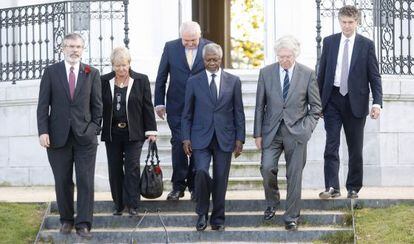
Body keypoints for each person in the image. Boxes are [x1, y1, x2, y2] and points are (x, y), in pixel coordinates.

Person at [37, 33, 102, 239]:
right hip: (57, 137)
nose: (74, 50)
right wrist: (43, 131)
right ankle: (66, 220)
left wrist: (93, 129)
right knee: (63, 180)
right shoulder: (51, 72)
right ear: (62, 48)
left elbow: (98, 106)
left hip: (85, 138)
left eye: (78, 47)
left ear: (83, 49)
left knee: (85, 180)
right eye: (70, 46)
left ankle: (83, 223)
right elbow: (42, 106)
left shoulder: (92, 73)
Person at [254, 35, 322, 231]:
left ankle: (291, 216)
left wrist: (306, 129)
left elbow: (316, 107)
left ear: (295, 55)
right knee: (267, 168)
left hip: (297, 132)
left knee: (294, 175)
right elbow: (260, 106)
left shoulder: (307, 74)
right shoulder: (266, 73)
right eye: (280, 56)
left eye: (288, 56)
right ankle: (272, 201)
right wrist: (258, 134)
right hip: (271, 132)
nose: (284, 60)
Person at [317, 5, 382, 199]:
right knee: (331, 144)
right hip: (332, 100)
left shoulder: (366, 44)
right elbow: (322, 74)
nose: (347, 26)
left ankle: (353, 187)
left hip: (357, 102)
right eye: (344, 22)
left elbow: (374, 76)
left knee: (355, 148)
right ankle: (332, 187)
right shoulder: (329, 42)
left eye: (350, 22)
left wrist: (377, 102)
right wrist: (319, 102)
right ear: (339, 21)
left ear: (357, 22)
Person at [181, 43, 245, 231]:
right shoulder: (194, 81)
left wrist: (240, 138)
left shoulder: (233, 81)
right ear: (203, 60)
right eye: (208, 59)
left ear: (220, 59)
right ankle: (202, 213)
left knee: (220, 178)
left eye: (215, 59)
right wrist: (185, 138)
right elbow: (187, 113)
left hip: (225, 137)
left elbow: (239, 112)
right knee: (201, 171)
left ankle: (218, 219)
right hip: (200, 137)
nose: (211, 63)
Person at [154, 21, 212, 201]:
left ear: (200, 35)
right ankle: (178, 186)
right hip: (176, 106)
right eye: (185, 40)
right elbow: (161, 75)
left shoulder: (210, 47)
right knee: (179, 143)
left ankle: (195, 186)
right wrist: (159, 102)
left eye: (193, 40)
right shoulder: (170, 47)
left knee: (197, 144)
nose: (189, 43)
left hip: (201, 107)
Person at [100, 47, 157, 216]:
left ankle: (132, 205)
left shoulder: (140, 80)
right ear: (112, 65)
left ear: (129, 63)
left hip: (134, 132)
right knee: (115, 168)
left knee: (132, 167)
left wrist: (151, 131)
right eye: (117, 66)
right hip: (112, 132)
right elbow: (98, 105)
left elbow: (147, 106)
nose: (121, 69)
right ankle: (119, 205)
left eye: (124, 65)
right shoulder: (104, 81)